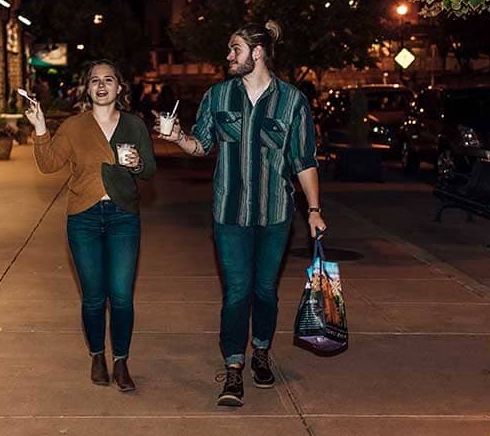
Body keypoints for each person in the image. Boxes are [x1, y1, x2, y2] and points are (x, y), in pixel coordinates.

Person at [156, 21, 327, 407]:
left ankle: (261, 351)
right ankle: (233, 368)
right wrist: (177, 136)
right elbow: (201, 146)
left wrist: (313, 210)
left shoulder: (292, 102)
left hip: (276, 213)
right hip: (229, 213)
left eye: (235, 49)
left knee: (265, 290)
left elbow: (303, 160)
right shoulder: (217, 97)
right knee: (236, 292)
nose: (228, 56)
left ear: (258, 52)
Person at [26, 59, 156, 392]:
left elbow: (149, 170)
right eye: (95, 80)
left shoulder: (134, 125)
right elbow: (48, 164)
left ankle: (122, 361)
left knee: (122, 296)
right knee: (94, 297)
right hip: (83, 217)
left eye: (108, 80)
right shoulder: (74, 126)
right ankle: (98, 355)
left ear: (119, 87)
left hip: (123, 216)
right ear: (88, 88)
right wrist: (41, 128)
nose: (101, 86)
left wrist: (139, 163)